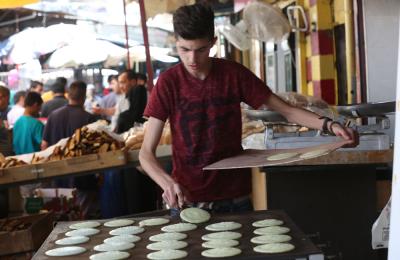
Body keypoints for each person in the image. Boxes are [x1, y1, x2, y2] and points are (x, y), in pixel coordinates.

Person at [139, 3, 359, 213]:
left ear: (213, 42)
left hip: (236, 197)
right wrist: (167, 183)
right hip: (187, 198)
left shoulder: (233, 74)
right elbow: (146, 154)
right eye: (184, 50)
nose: (192, 58)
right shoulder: (168, 83)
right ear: (175, 42)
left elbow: (287, 110)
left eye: (200, 49)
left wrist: (330, 125)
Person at [41, 81, 99, 219]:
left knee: (62, 217)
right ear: (84, 96)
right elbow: (96, 149)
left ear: (68, 95)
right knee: (82, 217)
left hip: (58, 175)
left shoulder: (53, 116)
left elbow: (44, 145)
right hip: (84, 176)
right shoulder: (88, 118)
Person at [12, 92, 44, 200]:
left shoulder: (17, 123)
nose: (39, 110)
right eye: (39, 107)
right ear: (35, 104)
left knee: (26, 201)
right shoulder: (37, 124)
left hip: (20, 166)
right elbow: (43, 145)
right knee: (39, 201)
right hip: (35, 167)